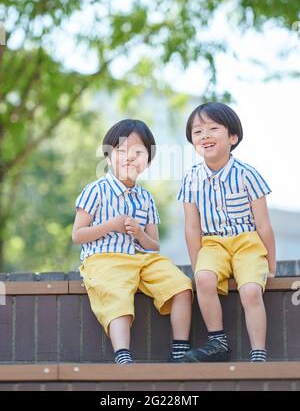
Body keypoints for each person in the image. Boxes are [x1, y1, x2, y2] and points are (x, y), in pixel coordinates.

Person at [72, 119, 192, 364]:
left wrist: (139, 233)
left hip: (141, 259)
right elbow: (78, 235)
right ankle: (123, 354)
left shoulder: (146, 198)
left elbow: (154, 245)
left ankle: (180, 350)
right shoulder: (95, 190)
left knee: (182, 285)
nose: (129, 157)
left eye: (138, 153)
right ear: (108, 157)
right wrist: (109, 226)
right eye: (121, 151)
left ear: (147, 162)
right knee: (117, 295)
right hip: (104, 260)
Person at [178, 102, 276, 363]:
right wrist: (198, 266)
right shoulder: (190, 178)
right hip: (212, 244)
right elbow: (191, 227)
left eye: (213, 128)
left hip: (248, 243)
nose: (205, 136)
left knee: (251, 291)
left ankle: (258, 353)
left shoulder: (248, 174)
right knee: (205, 279)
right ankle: (217, 342)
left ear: (232, 137)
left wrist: (272, 263)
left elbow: (264, 224)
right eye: (197, 132)